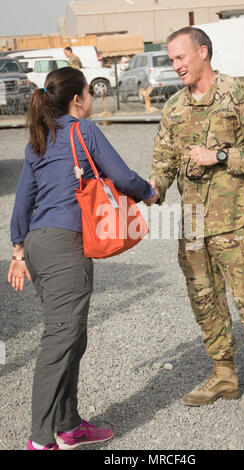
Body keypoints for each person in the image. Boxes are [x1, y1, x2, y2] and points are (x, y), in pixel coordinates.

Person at [8, 66, 158, 450]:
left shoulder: (38, 139)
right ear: (78, 99)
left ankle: (70, 426)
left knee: (72, 335)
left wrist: (18, 251)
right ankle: (41, 440)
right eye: (90, 91)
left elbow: (23, 202)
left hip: (40, 247)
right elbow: (123, 178)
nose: (92, 97)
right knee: (60, 339)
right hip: (64, 247)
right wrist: (149, 193)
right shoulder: (83, 130)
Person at [149, 26, 244, 414]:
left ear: (203, 52)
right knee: (204, 301)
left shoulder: (239, 94)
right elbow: (163, 162)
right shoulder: (174, 107)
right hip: (192, 227)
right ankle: (224, 373)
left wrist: (222, 156)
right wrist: (151, 188)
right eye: (172, 59)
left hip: (235, 223)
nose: (175, 65)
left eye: (180, 57)